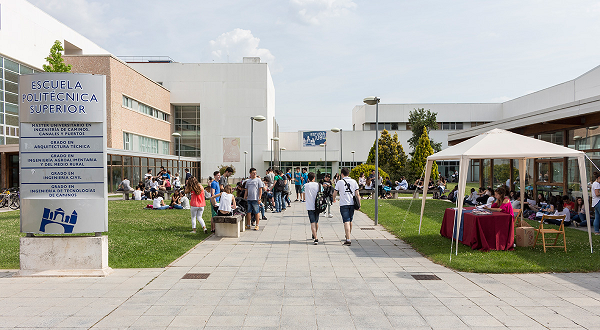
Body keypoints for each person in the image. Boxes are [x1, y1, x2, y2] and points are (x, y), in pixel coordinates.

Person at [332, 168, 361, 246]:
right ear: (349, 173)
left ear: (342, 174)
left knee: (346, 221)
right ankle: (348, 235)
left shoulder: (339, 182)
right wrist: (359, 204)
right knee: (350, 220)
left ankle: (348, 239)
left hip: (343, 204)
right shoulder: (354, 181)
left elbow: (334, 193)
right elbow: (357, 194)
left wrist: (333, 199)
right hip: (352, 203)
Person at [304, 172, 320, 245]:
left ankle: (315, 238)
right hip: (318, 206)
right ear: (314, 178)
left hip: (310, 206)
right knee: (316, 221)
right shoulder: (318, 185)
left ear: (308, 178)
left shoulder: (305, 186)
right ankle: (315, 234)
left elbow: (303, 193)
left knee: (312, 222)